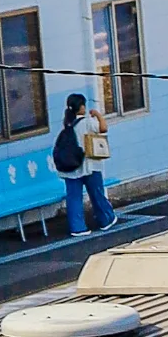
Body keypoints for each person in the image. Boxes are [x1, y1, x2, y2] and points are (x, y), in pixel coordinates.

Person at [51, 87, 113, 240]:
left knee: (74, 197)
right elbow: (103, 128)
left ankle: (77, 227)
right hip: (89, 165)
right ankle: (106, 220)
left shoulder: (68, 124)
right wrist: (97, 114)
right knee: (96, 193)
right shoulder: (87, 122)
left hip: (70, 168)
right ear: (82, 107)